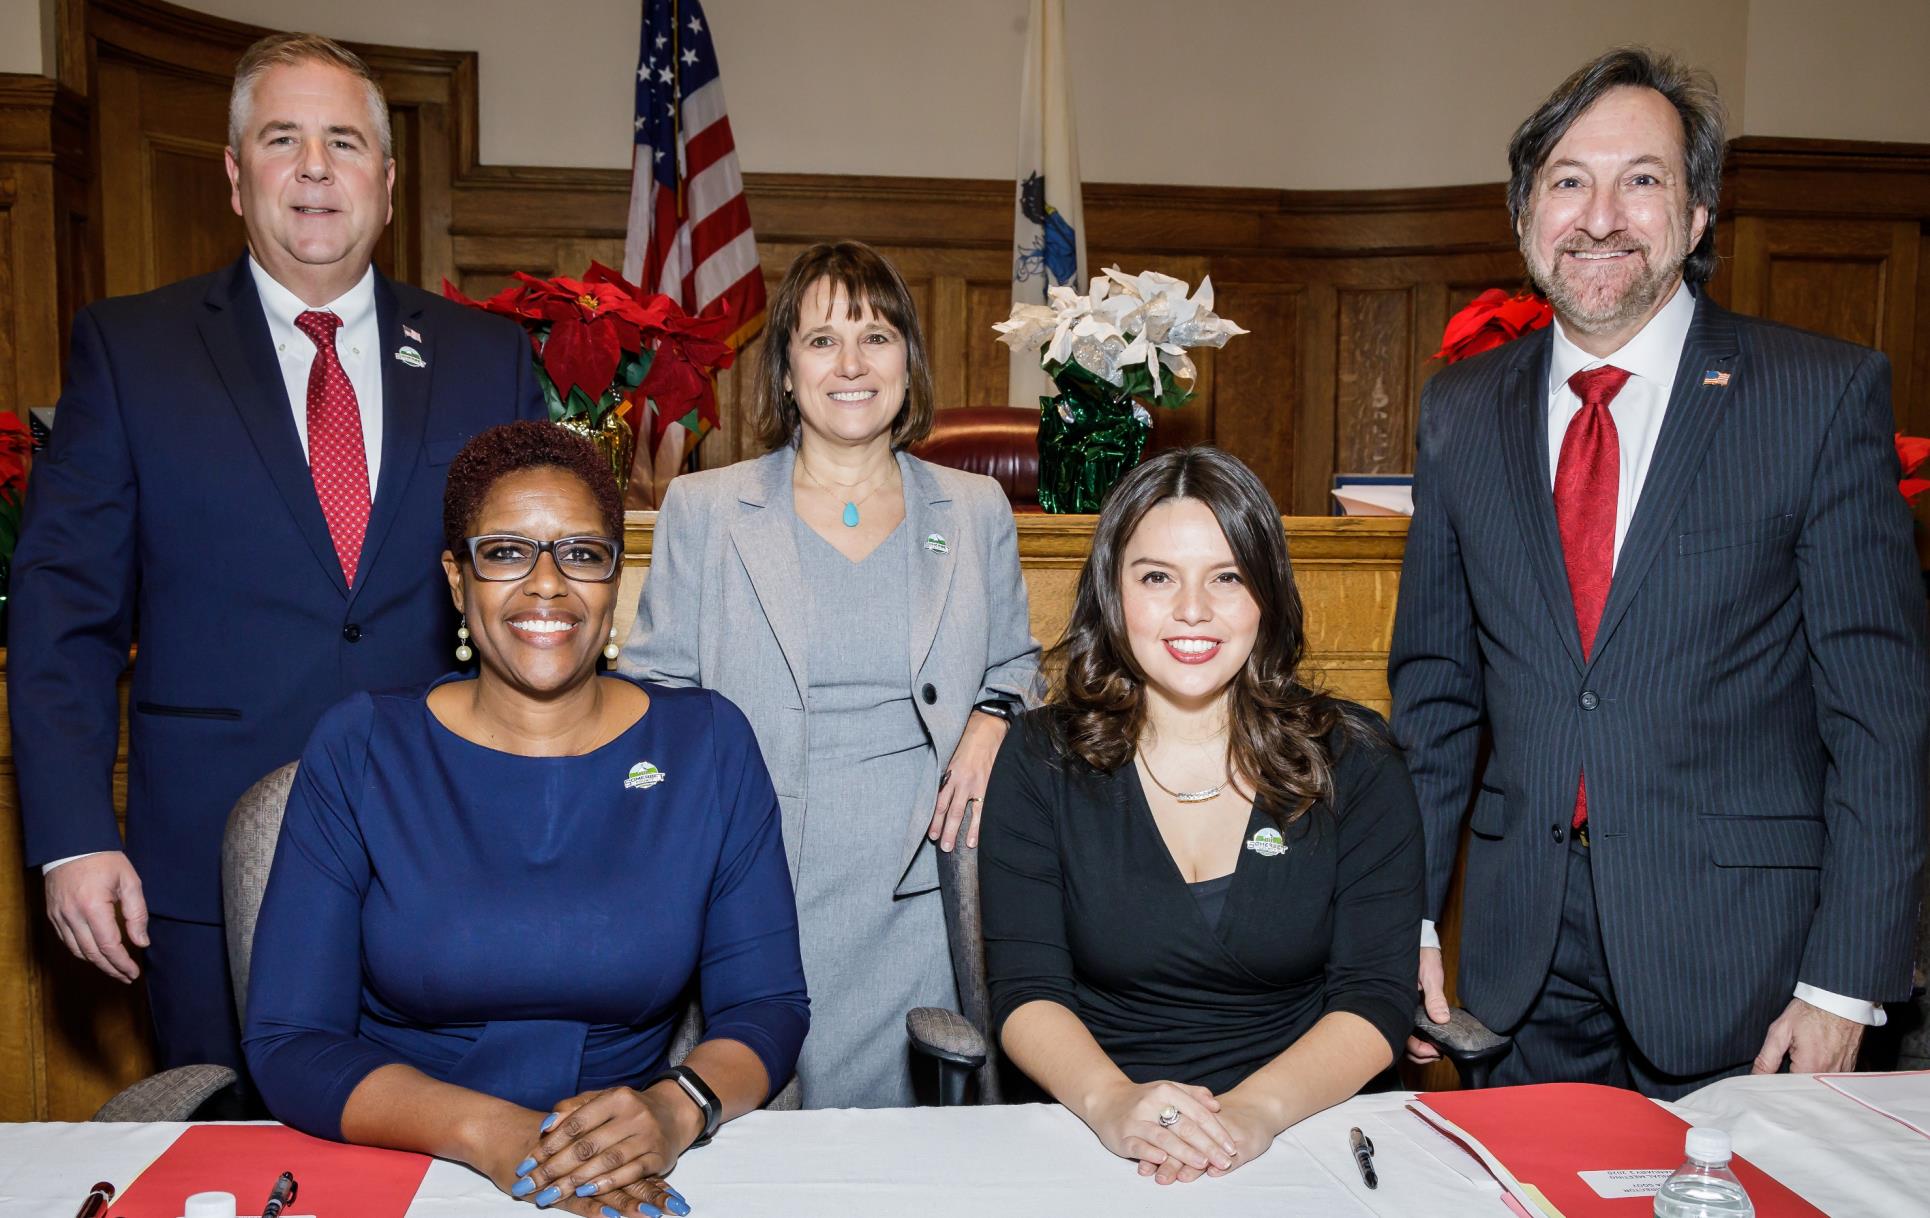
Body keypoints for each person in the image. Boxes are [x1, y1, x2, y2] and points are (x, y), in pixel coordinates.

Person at [1391, 47, 1929, 1098]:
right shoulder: (1461, 413)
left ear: (1695, 218)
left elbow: (1881, 717)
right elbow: (1435, 697)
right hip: (1513, 968)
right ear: (1522, 218)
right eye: (1566, 180)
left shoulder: (1816, 398)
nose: (1599, 215)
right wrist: (1403, 917)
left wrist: (1842, 984)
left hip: (1744, 967)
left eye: (1641, 179)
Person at [6, 33, 544, 1082]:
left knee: (437, 1154)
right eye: (282, 138)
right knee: (234, 1163)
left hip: (445, 853)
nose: (313, 167)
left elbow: (535, 611)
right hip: (204, 863)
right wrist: (71, 835)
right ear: (234, 173)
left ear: (385, 185)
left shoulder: (489, 357)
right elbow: (61, 610)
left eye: (343, 142)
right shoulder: (132, 351)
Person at [244, 422, 807, 1216]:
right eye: (505, 552)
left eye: (581, 553)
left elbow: (768, 1005)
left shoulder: (709, 744)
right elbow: (289, 1041)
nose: (548, 584)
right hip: (408, 1159)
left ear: (616, 578)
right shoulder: (364, 745)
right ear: (456, 578)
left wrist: (675, 1110)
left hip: (634, 1162)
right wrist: (496, 1134)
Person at [622, 241, 1041, 1108]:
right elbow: (656, 693)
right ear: (783, 371)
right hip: (753, 875)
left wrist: (996, 715)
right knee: (757, 1138)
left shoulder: (973, 509)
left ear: (908, 363)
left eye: (877, 337)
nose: (851, 364)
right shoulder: (704, 511)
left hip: (920, 883)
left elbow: (1016, 664)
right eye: (821, 341)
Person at [981, 447, 1422, 1186]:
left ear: (1269, 595)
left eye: (1228, 577)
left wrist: (1253, 1114)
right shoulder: (1039, 758)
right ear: (1113, 594)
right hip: (1095, 1135)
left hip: (1305, 1133)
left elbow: (1374, 996)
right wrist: (1114, 1102)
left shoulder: (1356, 758)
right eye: (1157, 577)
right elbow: (1026, 990)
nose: (1193, 610)